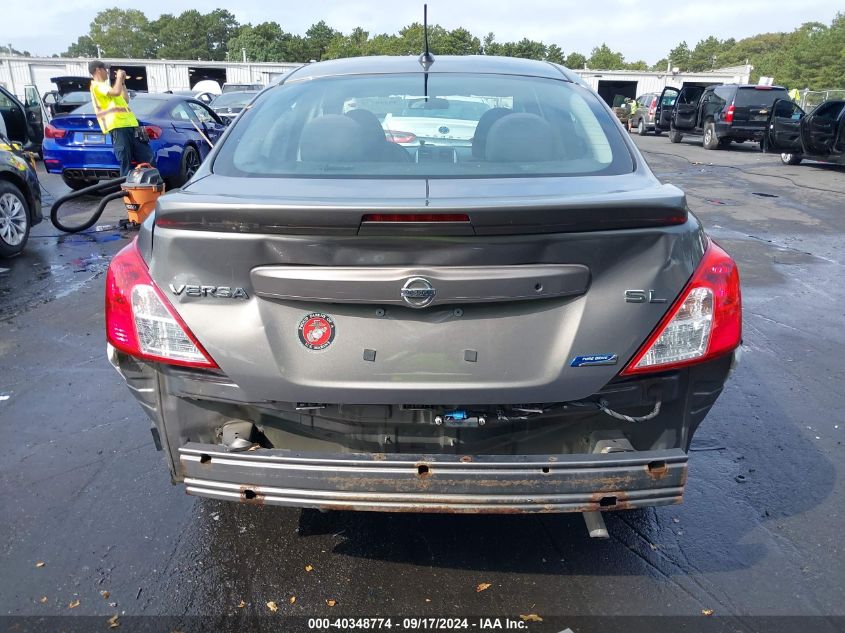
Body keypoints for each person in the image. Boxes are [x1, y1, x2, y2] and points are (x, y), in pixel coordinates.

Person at [88, 60, 154, 176]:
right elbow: (116, 92)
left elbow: (125, 99)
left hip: (131, 126)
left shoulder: (106, 87)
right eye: (105, 69)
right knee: (125, 162)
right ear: (98, 70)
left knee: (147, 157)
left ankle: (148, 186)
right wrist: (118, 78)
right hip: (118, 128)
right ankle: (127, 191)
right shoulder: (97, 86)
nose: (107, 72)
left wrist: (122, 82)